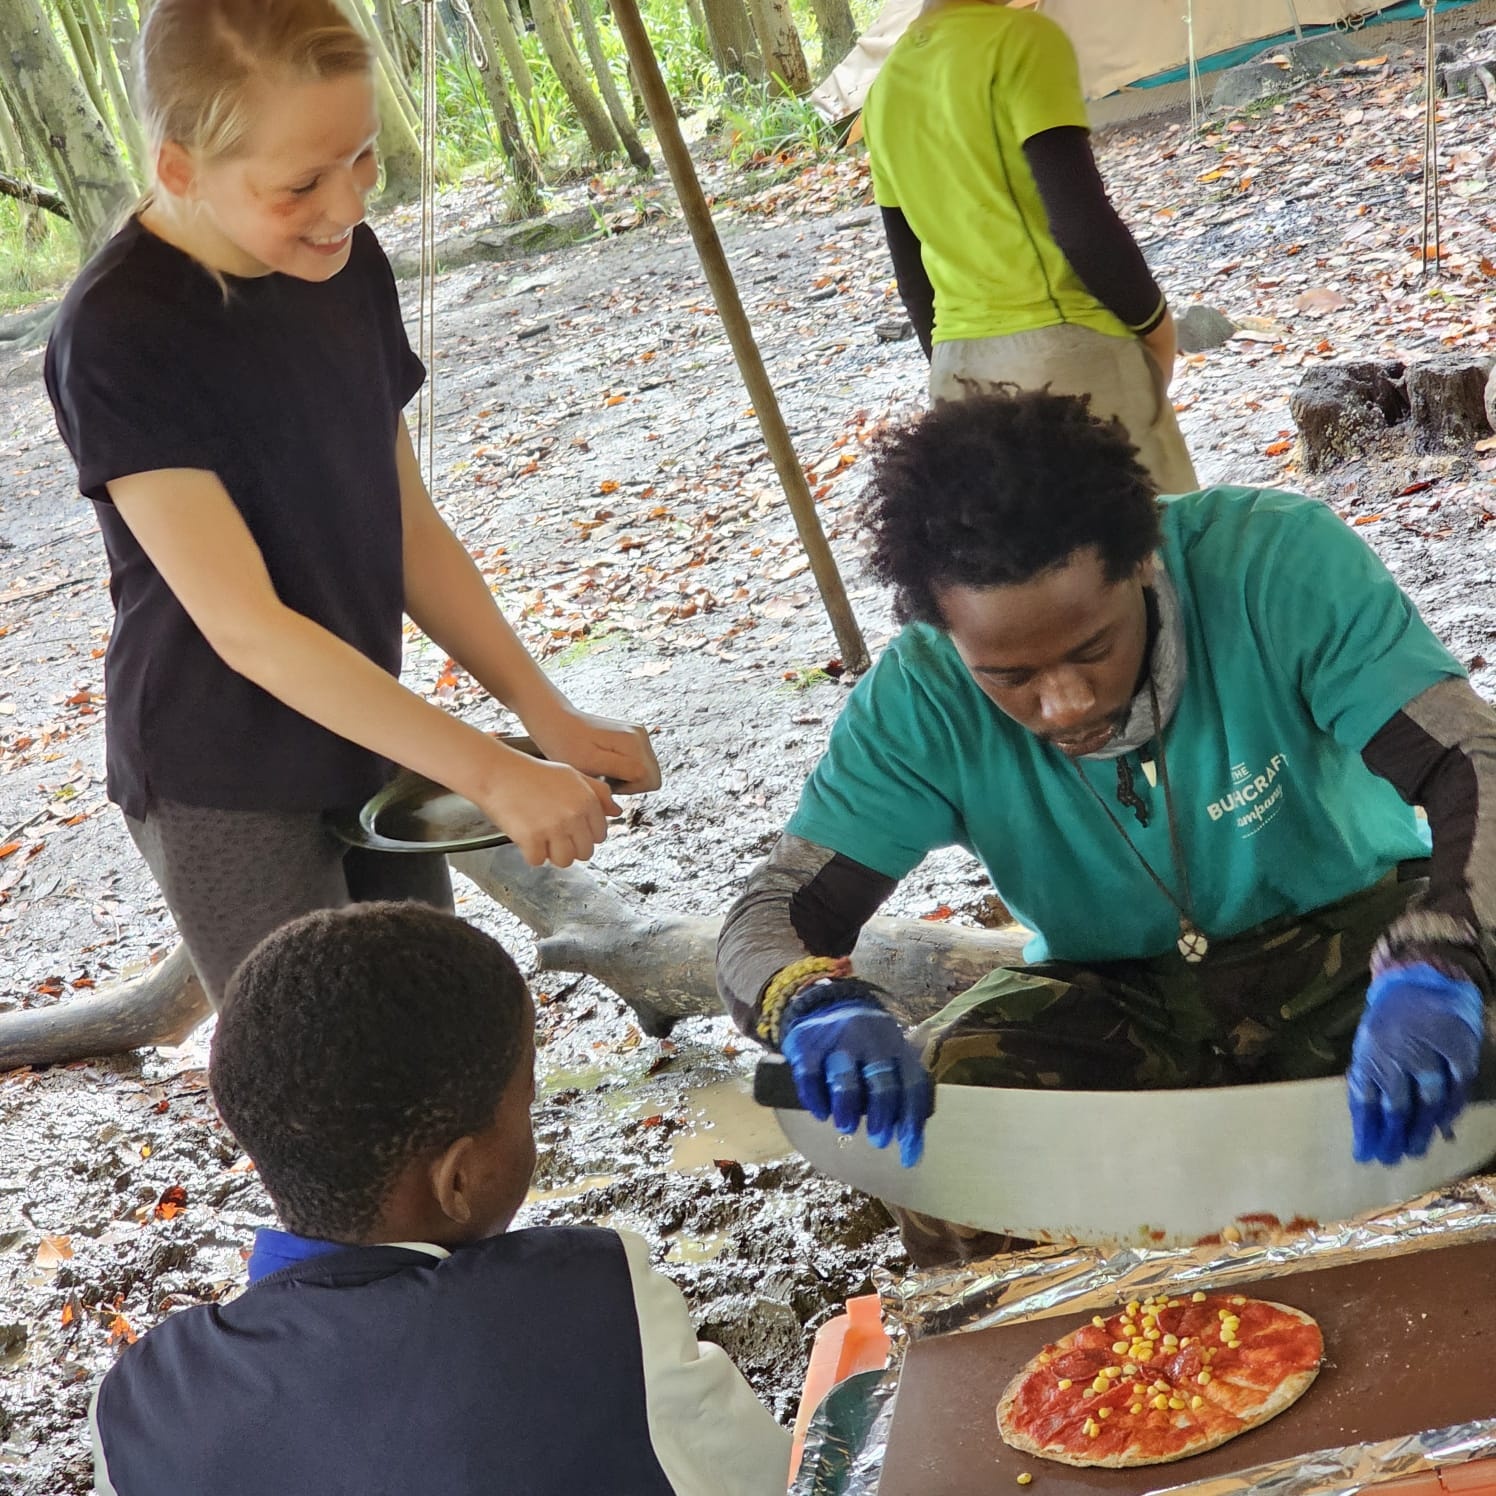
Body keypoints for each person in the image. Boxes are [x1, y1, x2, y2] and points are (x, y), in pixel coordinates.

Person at [717, 391, 1496, 1264]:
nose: (1066, 703)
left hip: (1357, 948)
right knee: (951, 1115)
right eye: (1009, 676)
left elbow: (1472, 761)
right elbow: (774, 909)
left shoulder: (1273, 564)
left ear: (1144, 562)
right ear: (945, 632)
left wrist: (1445, 956)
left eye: (1093, 649)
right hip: (1120, 992)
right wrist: (811, 1004)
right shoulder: (917, 699)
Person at [43, 0, 656, 1009]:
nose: (347, 203)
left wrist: (541, 712)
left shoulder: (340, 260)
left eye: (363, 158)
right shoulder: (117, 330)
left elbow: (406, 525)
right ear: (180, 168)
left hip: (364, 725)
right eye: (301, 183)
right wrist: (491, 773)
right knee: (323, 1056)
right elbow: (247, 628)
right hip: (221, 765)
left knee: (432, 1018)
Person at [89, 901, 791, 1494]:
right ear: (457, 1180)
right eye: (526, 1105)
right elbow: (772, 1479)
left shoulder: (138, 1407)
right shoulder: (594, 1301)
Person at [861, 0, 1198, 494]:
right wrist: (1156, 326)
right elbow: (1081, 225)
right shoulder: (1021, 41)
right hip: (1065, 358)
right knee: (1155, 539)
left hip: (957, 376)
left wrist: (963, 376)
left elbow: (914, 281)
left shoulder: (883, 92)